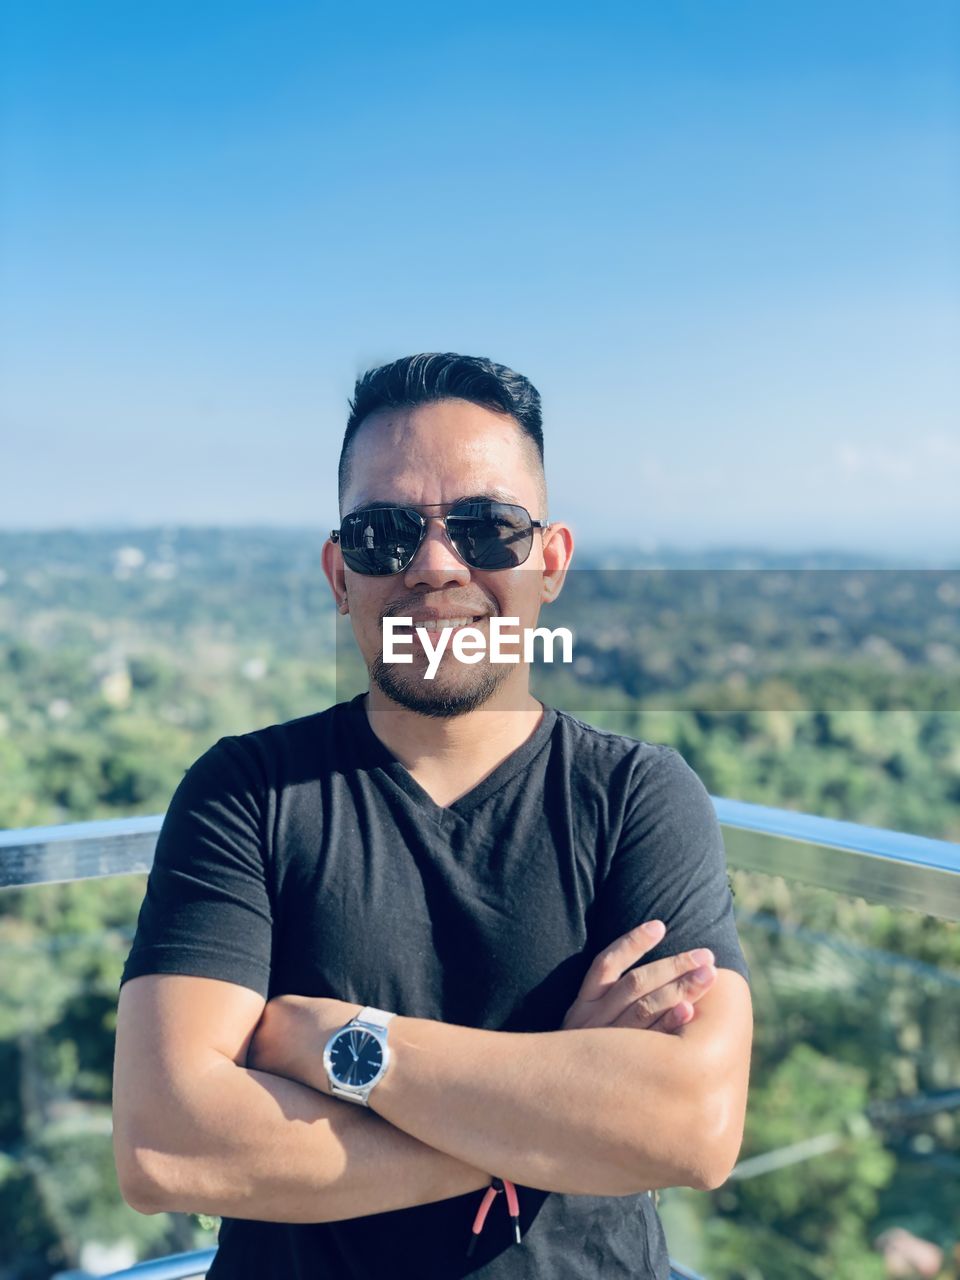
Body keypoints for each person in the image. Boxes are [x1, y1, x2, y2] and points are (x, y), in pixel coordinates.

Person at [112, 352, 753, 1279]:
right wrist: (561, 1108)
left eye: (488, 527)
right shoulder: (246, 795)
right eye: (384, 533)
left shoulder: (637, 799)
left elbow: (692, 1125)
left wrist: (333, 1045)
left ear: (551, 561)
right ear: (340, 576)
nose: (435, 565)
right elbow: (169, 1143)